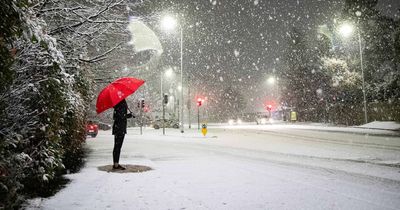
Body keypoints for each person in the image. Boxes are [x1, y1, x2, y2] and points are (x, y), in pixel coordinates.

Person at [112, 99, 134, 170]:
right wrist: (129, 115)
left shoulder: (118, 103)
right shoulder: (120, 103)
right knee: (118, 146)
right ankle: (116, 164)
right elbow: (120, 116)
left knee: (117, 146)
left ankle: (116, 163)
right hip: (119, 128)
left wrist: (128, 115)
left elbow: (117, 116)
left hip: (118, 128)